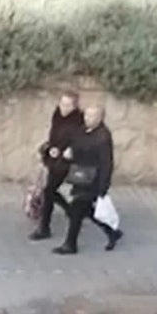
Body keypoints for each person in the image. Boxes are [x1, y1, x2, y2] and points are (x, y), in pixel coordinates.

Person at [53, 105, 122, 254]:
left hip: (93, 179)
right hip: (80, 176)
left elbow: (106, 163)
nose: (87, 119)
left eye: (92, 116)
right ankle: (112, 232)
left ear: (100, 118)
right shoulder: (83, 130)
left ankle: (70, 244)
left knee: (77, 209)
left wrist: (103, 186)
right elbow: (77, 145)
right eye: (86, 115)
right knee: (87, 211)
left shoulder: (103, 137)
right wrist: (70, 152)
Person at [29, 91, 84, 241]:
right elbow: (54, 135)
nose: (64, 108)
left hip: (67, 162)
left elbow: (80, 141)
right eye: (62, 104)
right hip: (55, 158)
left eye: (68, 105)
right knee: (50, 191)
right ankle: (69, 211)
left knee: (49, 191)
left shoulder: (79, 121)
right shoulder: (57, 115)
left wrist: (69, 150)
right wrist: (52, 148)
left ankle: (45, 227)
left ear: (74, 106)